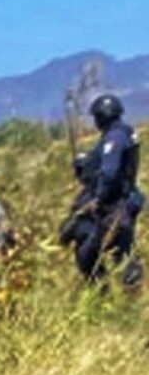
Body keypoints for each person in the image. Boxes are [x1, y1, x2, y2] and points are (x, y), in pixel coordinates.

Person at [73, 94, 143, 284]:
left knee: (116, 251)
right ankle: (119, 289)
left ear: (102, 116)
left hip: (115, 204)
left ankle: (115, 291)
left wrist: (98, 198)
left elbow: (109, 173)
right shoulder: (123, 133)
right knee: (119, 250)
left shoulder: (115, 137)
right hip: (122, 200)